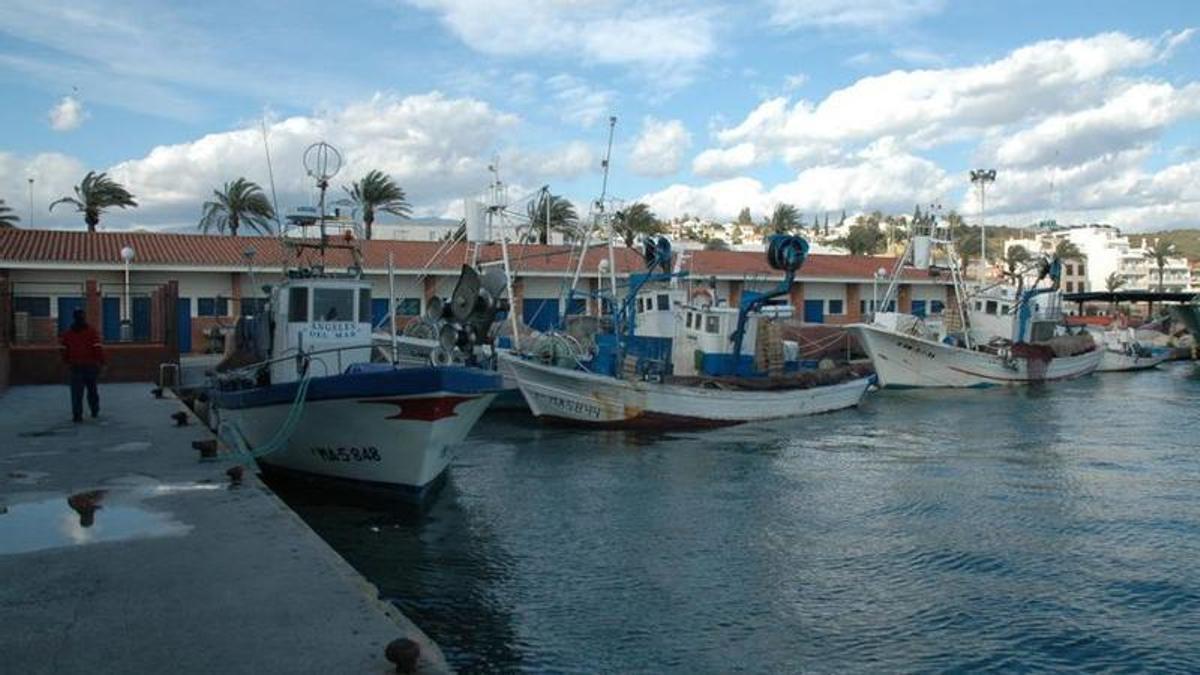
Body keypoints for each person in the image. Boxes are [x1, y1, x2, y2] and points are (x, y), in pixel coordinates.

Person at [60, 309, 105, 422]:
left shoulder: (68, 334)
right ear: (84, 317)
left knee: (76, 392)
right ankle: (94, 410)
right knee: (92, 390)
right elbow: (97, 349)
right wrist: (102, 362)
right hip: (90, 366)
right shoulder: (92, 332)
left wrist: (66, 362)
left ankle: (77, 414)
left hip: (75, 366)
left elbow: (64, 351)